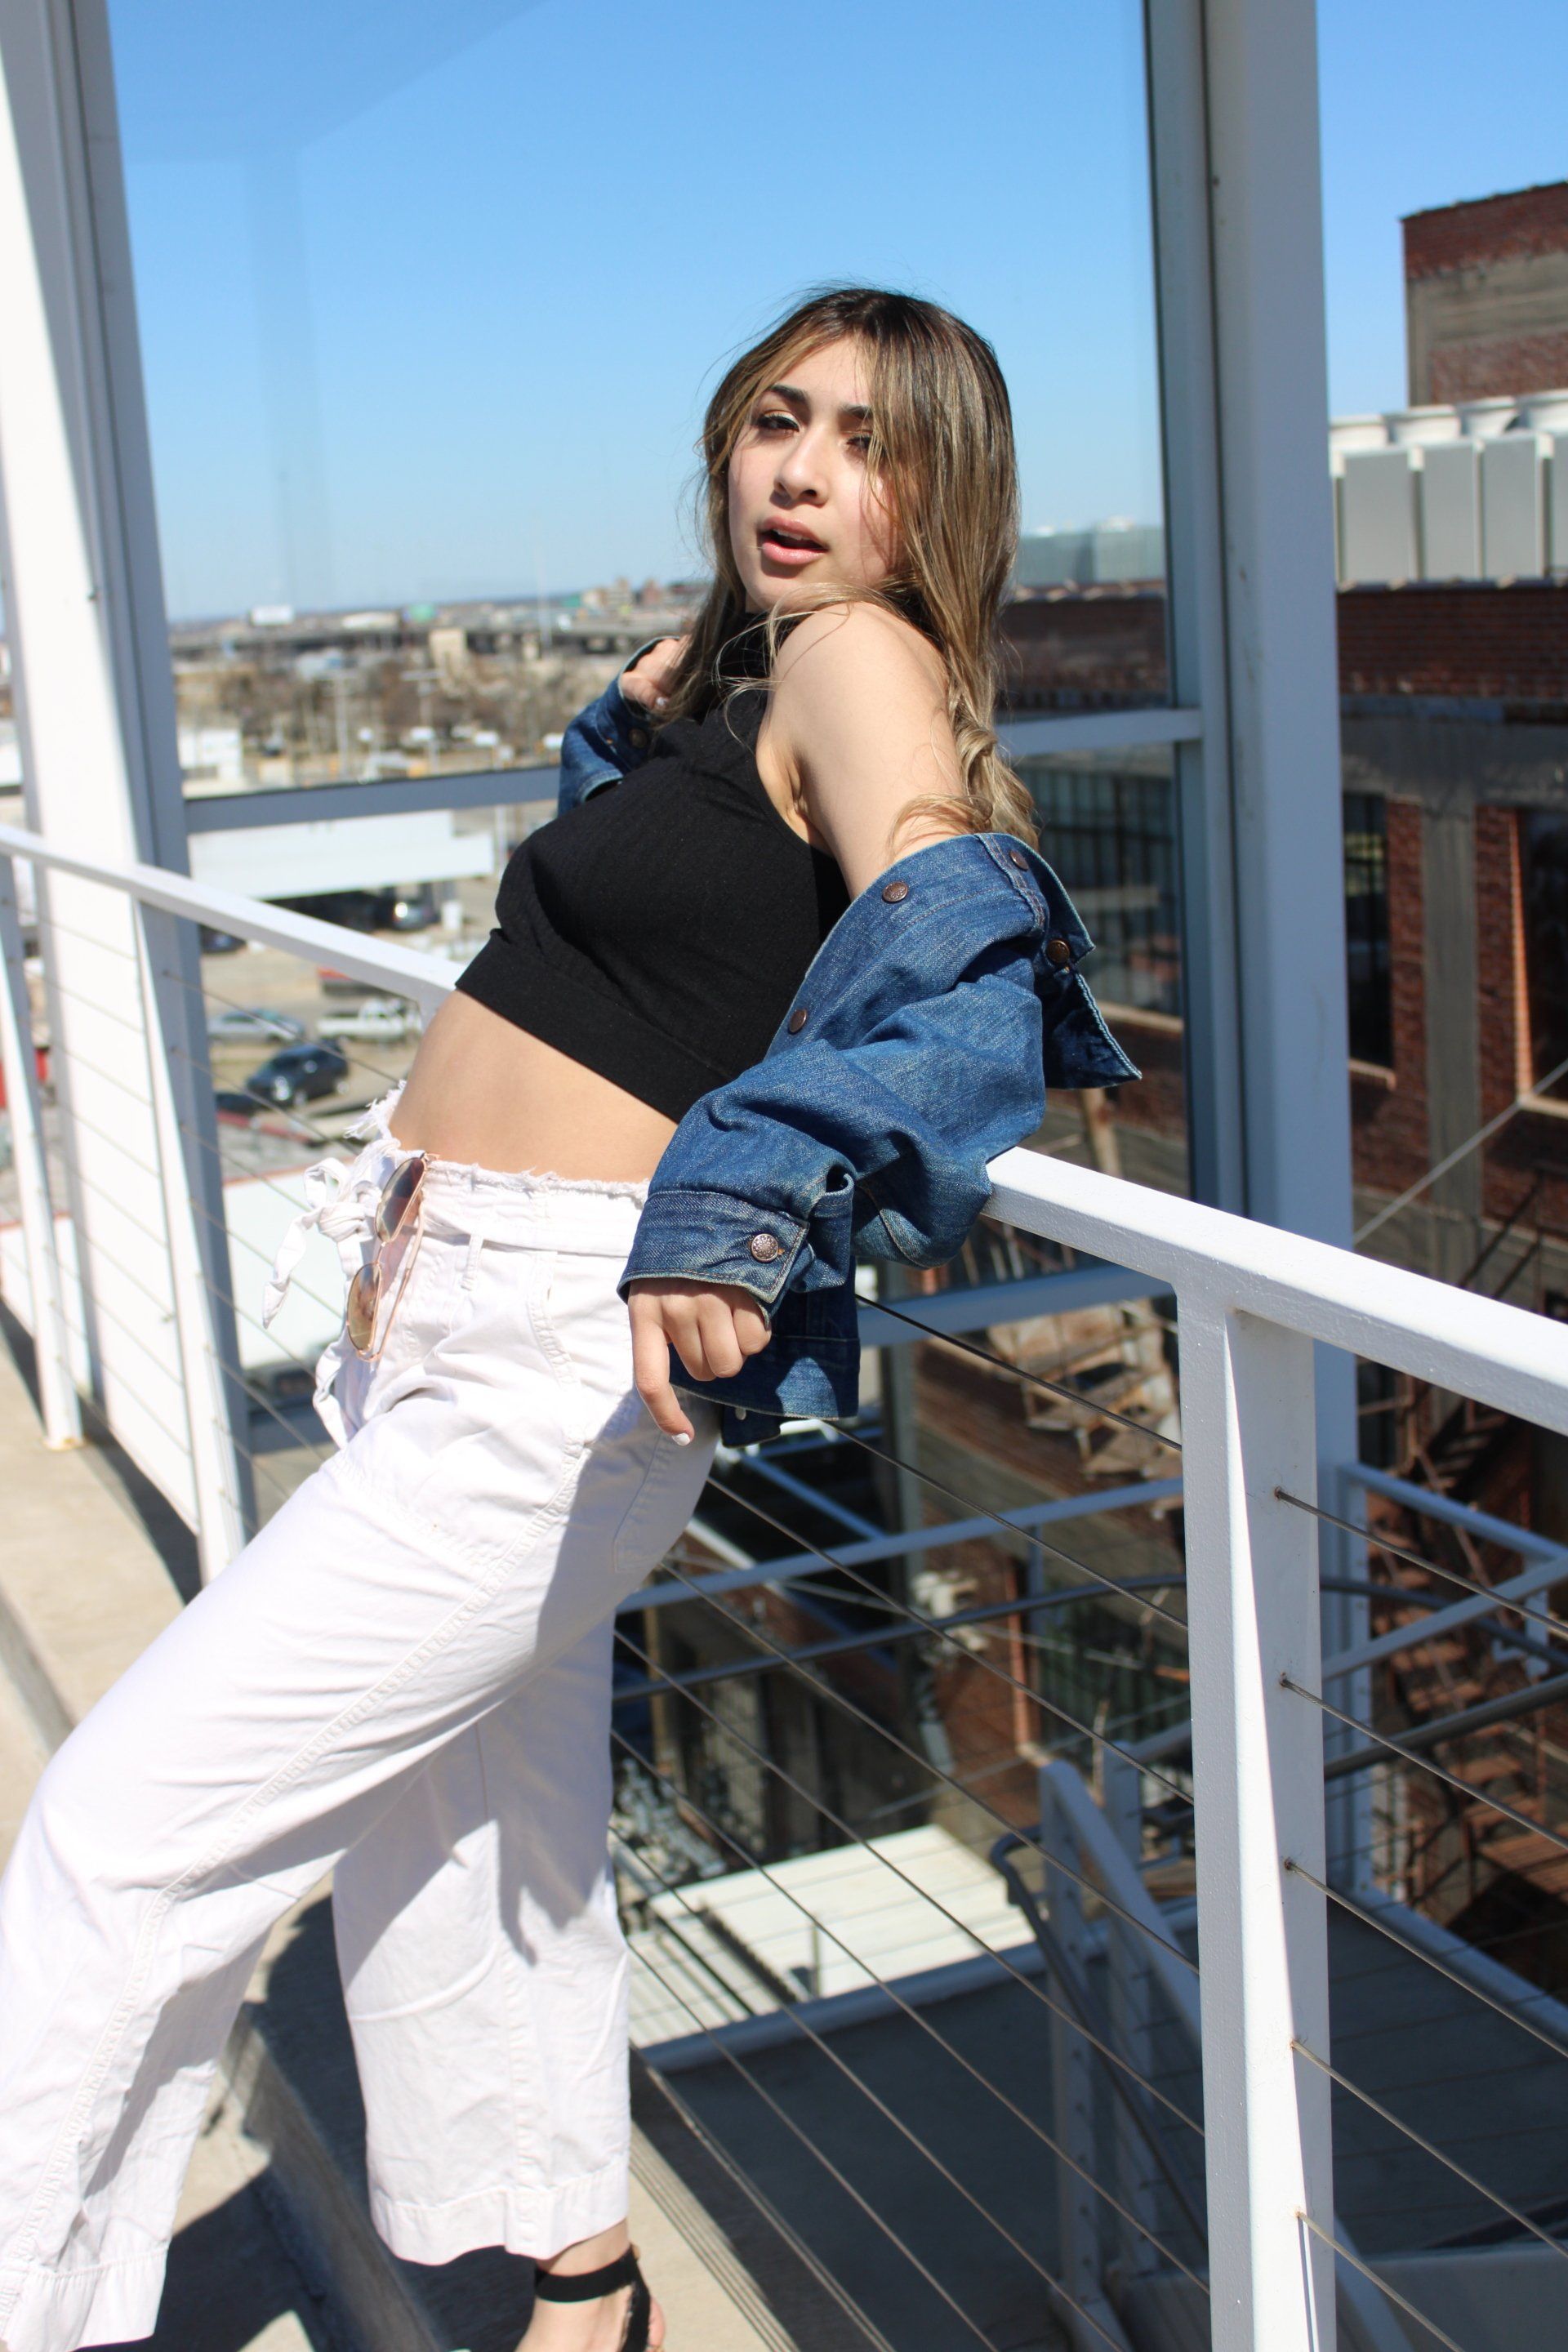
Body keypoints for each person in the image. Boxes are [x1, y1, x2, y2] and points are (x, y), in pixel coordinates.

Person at [0, 287, 1135, 2352]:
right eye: (774, 420)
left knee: (111, 1848)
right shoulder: (755, 675)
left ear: (940, 492)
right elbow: (683, 937)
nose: (799, 471)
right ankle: (583, 2278)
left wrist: (749, 1193)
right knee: (467, 1839)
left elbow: (965, 972)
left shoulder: (860, 657)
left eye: (866, 442)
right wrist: (645, 730)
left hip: (552, 1358)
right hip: (440, 1307)